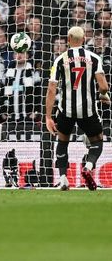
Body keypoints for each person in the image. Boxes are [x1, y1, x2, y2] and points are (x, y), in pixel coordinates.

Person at [45, 26, 110, 191]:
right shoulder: (94, 58)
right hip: (87, 109)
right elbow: (103, 86)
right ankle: (88, 167)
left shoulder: (59, 59)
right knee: (97, 141)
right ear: (83, 40)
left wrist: (48, 117)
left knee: (62, 141)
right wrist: (103, 94)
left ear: (68, 39)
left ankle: (63, 179)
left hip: (65, 110)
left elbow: (52, 89)